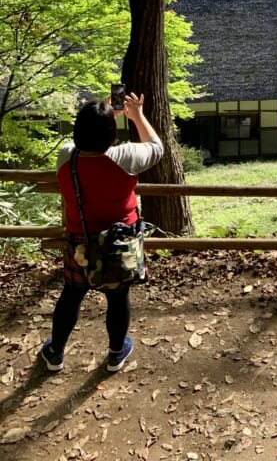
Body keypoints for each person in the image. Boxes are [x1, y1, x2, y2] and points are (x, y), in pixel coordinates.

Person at [40, 92, 164, 374]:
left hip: (80, 242)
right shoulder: (126, 157)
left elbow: (85, 140)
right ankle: (116, 354)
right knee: (118, 298)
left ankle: (55, 353)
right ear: (111, 133)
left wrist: (105, 110)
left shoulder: (66, 158)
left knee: (71, 295)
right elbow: (157, 147)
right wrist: (136, 114)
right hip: (120, 242)